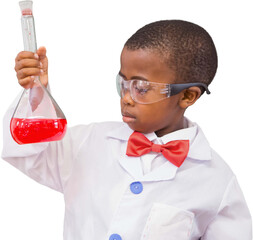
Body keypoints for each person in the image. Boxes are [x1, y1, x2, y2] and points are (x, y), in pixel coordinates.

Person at [2, 20, 252, 240]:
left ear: (187, 95)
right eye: (123, 83)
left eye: (141, 87)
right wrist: (36, 93)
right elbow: (20, 150)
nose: (126, 98)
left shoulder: (217, 182)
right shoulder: (87, 143)